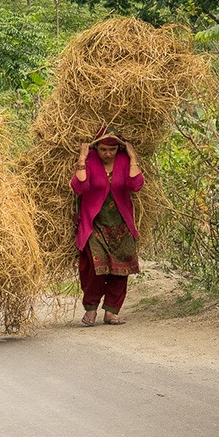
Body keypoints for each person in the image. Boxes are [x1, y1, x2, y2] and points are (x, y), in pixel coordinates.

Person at [71, 130, 143, 326]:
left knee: (121, 270)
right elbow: (79, 187)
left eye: (112, 149)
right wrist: (82, 157)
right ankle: (91, 310)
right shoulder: (91, 160)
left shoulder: (123, 160)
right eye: (103, 149)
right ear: (96, 148)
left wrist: (132, 156)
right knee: (94, 270)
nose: (107, 153)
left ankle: (111, 311)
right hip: (94, 224)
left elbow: (136, 184)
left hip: (121, 225)